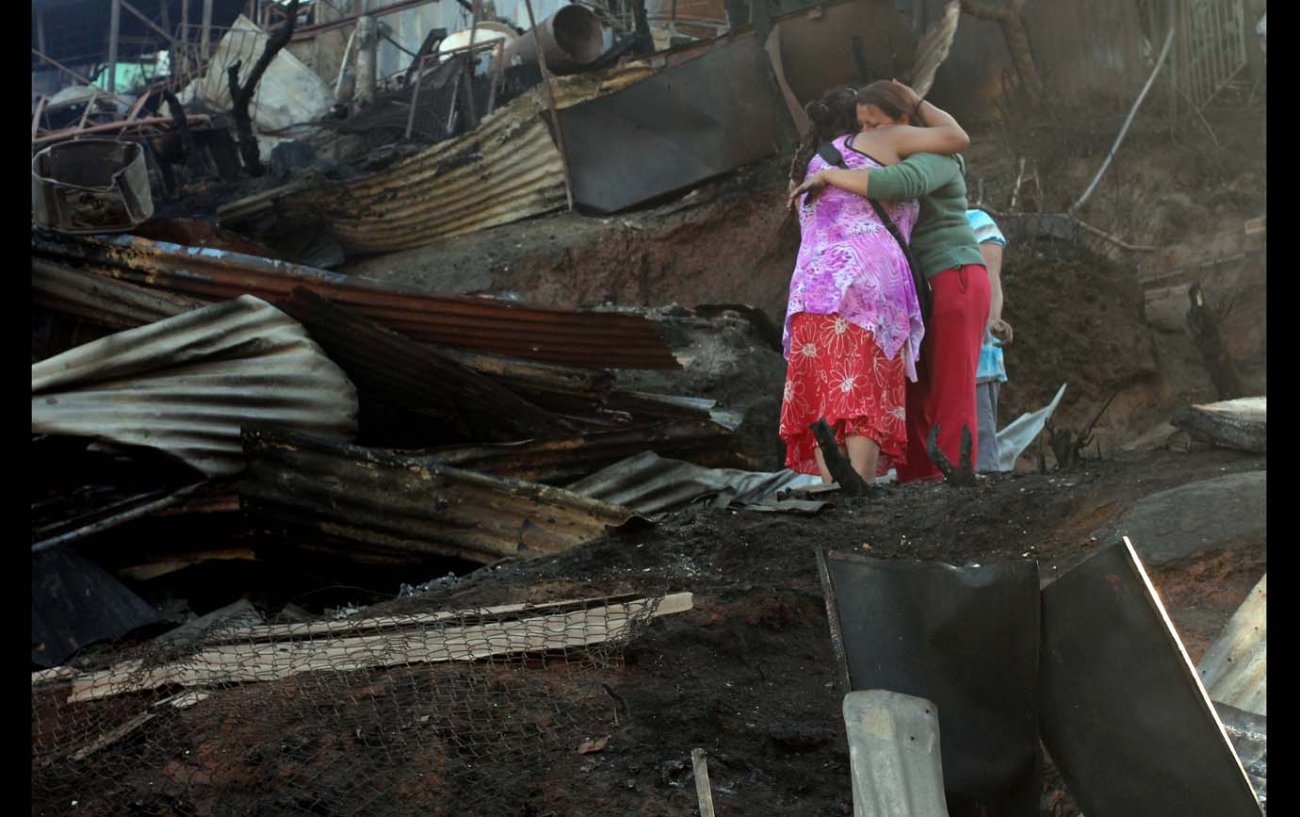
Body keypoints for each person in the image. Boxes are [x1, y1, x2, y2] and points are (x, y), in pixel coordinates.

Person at [790, 83, 988, 484]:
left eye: (874, 125)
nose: (865, 134)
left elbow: (900, 182)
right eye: (860, 125)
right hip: (914, 287)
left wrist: (832, 174)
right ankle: (919, 482)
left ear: (903, 122)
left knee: (951, 388)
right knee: (911, 392)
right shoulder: (879, 153)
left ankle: (957, 481)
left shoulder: (938, 157)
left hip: (952, 274)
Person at [967, 208, 1012, 473]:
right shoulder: (910, 220)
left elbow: (990, 279)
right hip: (931, 359)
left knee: (980, 441)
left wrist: (994, 319)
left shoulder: (977, 222)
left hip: (978, 359)